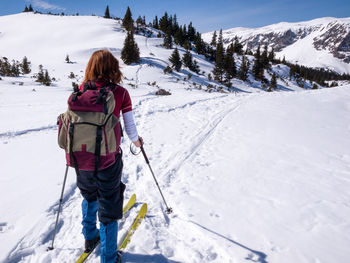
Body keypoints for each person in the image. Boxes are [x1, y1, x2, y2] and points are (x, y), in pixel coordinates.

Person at [76, 49, 142, 263]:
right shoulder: (120, 93)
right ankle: (109, 257)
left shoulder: (80, 90)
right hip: (108, 160)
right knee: (109, 204)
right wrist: (137, 142)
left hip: (81, 158)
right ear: (112, 68)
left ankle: (90, 237)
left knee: (89, 196)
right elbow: (130, 127)